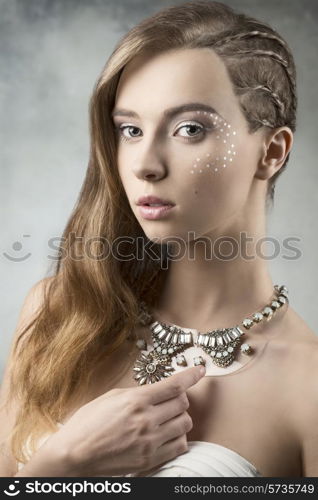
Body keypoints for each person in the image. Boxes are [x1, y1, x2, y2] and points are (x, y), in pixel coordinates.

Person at [1, 0, 317, 477]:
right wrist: (59, 464)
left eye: (189, 129)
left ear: (271, 152)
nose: (145, 163)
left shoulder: (307, 385)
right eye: (130, 129)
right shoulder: (60, 315)